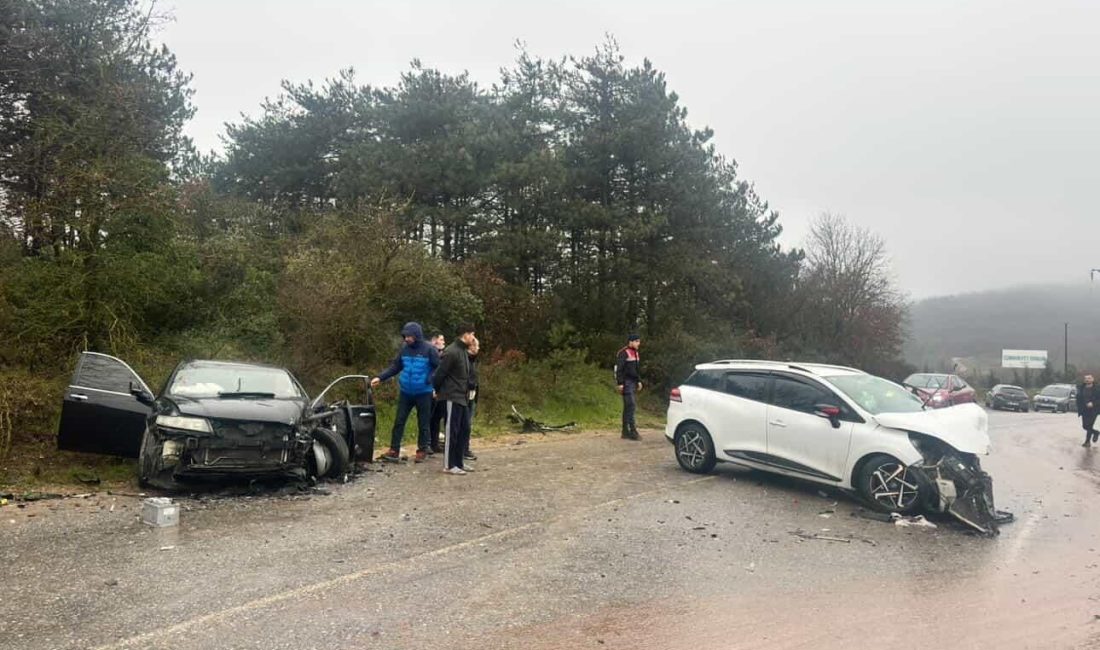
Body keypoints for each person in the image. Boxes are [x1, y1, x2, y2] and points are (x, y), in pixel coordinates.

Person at [370, 322, 439, 463]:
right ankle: (394, 450)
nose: (407, 338)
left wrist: (430, 380)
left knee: (423, 422)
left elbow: (438, 368)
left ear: (417, 335)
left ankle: (422, 450)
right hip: (406, 392)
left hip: (423, 392)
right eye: (405, 336)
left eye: (409, 336)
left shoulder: (430, 349)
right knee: (399, 421)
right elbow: (395, 367)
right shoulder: (404, 349)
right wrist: (380, 378)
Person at [434, 324, 476, 474]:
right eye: (472, 334)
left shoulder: (463, 351)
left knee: (464, 430)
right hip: (451, 396)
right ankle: (449, 465)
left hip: (462, 397)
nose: (473, 338)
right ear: (465, 335)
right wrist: (437, 390)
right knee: (452, 430)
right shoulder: (451, 351)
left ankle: (459, 462)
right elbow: (440, 373)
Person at [615, 334, 643, 440]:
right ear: (630, 342)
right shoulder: (623, 353)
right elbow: (619, 369)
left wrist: (638, 381)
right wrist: (620, 383)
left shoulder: (636, 353)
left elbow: (636, 369)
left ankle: (625, 431)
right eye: (636, 341)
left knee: (628, 407)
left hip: (633, 382)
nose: (638, 343)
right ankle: (632, 431)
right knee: (631, 405)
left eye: (639, 341)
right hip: (626, 382)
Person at [428, 333, 447, 453]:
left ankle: (434, 443)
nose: (444, 342)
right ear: (434, 341)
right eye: (441, 339)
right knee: (428, 417)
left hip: (441, 391)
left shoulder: (443, 355)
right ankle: (427, 443)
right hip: (430, 389)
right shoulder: (429, 354)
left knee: (437, 417)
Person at [464, 336, 480, 461]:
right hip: (463, 395)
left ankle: (465, 448)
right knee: (465, 424)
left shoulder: (473, 361)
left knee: (468, 424)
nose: (478, 348)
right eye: (476, 346)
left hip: (472, 396)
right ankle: (463, 449)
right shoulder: (465, 360)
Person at [1078, 374, 1098, 448]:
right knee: (1085, 426)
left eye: (1089, 378)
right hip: (1084, 410)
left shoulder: (1097, 389)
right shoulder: (1081, 388)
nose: (1087, 380)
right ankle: (1096, 432)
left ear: (1092, 379)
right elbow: (1079, 398)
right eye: (1086, 378)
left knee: (1089, 425)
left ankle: (1087, 442)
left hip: (1094, 410)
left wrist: (1093, 403)